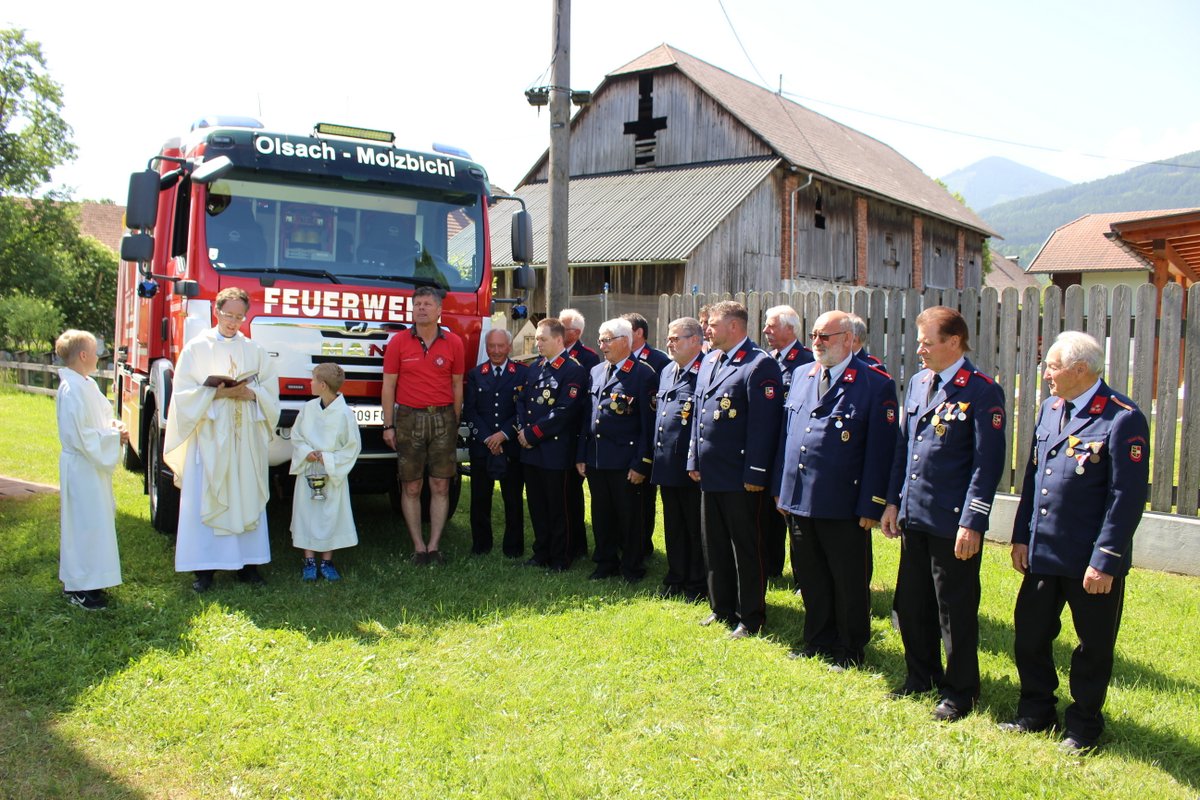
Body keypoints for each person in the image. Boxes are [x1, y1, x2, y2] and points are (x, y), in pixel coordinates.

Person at [1001, 331, 1149, 753]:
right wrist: (1021, 536)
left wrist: (1105, 559)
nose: (1045, 373)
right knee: (1030, 635)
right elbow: (1034, 478)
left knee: (1092, 647)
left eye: (1052, 366)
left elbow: (1126, 498)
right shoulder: (1051, 408)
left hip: (1089, 560)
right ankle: (1036, 711)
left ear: (1079, 370)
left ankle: (1083, 726)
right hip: (1044, 551)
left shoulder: (1122, 418)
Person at [881, 306, 1006, 722]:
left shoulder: (982, 391)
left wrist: (973, 521)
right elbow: (904, 448)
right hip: (915, 514)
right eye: (919, 342)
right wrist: (893, 502)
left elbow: (987, 465)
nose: (920, 350)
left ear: (954, 342)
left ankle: (960, 691)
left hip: (952, 522)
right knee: (911, 604)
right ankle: (921, 677)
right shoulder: (919, 383)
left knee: (954, 609)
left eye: (927, 343)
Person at [774, 311, 898, 669]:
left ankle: (849, 648)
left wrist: (872, 505)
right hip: (800, 497)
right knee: (810, 575)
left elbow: (881, 452)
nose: (817, 342)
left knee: (847, 581)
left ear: (847, 339)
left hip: (843, 502)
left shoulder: (874, 383)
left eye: (825, 336)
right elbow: (788, 436)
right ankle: (817, 639)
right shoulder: (803, 374)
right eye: (814, 335)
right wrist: (783, 489)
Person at [165, 287, 280, 592]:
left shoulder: (254, 350)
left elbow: (271, 392)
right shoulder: (196, 348)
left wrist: (250, 393)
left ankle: (248, 565)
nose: (233, 322)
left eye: (239, 317)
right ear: (216, 312)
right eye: (228, 315)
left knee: (246, 493)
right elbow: (183, 396)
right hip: (210, 438)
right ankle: (204, 570)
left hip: (244, 438)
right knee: (208, 496)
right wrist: (218, 393)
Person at [687, 300, 784, 638]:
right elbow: (699, 414)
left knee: (745, 548)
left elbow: (764, 426)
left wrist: (756, 473)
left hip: (741, 476)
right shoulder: (710, 360)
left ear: (733, 326)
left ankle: (750, 616)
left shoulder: (759, 364)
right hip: (711, 472)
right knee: (714, 544)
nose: (706, 330)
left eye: (712, 324)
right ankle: (721, 607)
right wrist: (694, 458)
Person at [380, 286, 465, 565]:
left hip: (443, 418)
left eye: (427, 304)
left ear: (439, 310)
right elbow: (388, 385)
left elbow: (457, 384)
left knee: (440, 485)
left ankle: (434, 546)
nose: (421, 308)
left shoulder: (454, 343)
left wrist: (454, 420)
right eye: (417, 304)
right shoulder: (398, 342)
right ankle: (418, 547)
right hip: (408, 419)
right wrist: (388, 425)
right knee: (411, 486)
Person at [576, 318, 657, 583]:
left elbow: (648, 425)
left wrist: (642, 462)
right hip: (597, 458)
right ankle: (605, 562)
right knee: (601, 515)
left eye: (607, 340)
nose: (602, 346)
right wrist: (582, 455)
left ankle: (632, 566)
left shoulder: (643, 374)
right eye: (600, 340)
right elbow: (587, 416)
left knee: (630, 517)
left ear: (624, 341)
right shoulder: (596, 371)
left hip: (625, 461)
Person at [55, 329, 126, 610]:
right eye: (96, 351)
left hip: (92, 465)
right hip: (81, 466)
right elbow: (82, 436)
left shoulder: (87, 384)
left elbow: (101, 418)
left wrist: (114, 426)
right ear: (83, 355)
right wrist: (113, 438)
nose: (99, 356)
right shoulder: (71, 390)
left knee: (96, 522)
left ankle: (92, 580)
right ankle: (80, 586)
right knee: (83, 525)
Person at [516, 318, 587, 571]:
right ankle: (541, 553)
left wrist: (532, 434)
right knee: (537, 505)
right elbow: (522, 401)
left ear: (558, 340)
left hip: (556, 451)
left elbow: (564, 411)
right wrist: (522, 431)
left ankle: (560, 557)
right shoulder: (535, 368)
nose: (538, 343)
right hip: (531, 450)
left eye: (543, 339)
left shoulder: (572, 370)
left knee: (559, 507)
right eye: (537, 339)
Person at [289, 362, 362, 582]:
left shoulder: (345, 414)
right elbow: (296, 436)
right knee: (307, 513)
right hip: (309, 469)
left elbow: (352, 447)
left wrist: (328, 459)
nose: (310, 383)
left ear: (322, 385)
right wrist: (307, 453)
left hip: (332, 473)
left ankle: (327, 561)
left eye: (312, 380)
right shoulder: (308, 409)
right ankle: (309, 560)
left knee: (330, 515)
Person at [652, 317, 707, 602]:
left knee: (694, 527)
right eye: (668, 339)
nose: (670, 344)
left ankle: (696, 583)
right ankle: (675, 577)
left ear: (695, 340)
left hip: (690, 465)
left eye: (676, 339)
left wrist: (693, 460)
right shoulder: (667, 370)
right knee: (673, 526)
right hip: (667, 463)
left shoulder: (706, 370)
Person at [760, 304, 815, 581]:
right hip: (768, 448)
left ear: (790, 328)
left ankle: (802, 575)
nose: (765, 331)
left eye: (771, 326)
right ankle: (771, 567)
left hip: (793, 448)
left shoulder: (806, 361)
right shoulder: (767, 360)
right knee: (768, 515)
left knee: (793, 515)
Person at [463, 328, 528, 558]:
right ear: (486, 347)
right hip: (482, 446)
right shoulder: (475, 374)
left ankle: (513, 548)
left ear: (509, 347)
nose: (496, 351)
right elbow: (470, 411)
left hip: (511, 446)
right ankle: (481, 546)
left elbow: (524, 410)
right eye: (492, 346)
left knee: (513, 499)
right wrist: (488, 438)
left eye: (501, 346)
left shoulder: (522, 373)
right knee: (480, 498)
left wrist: (504, 435)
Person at [622, 311, 670, 557]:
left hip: (645, 438)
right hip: (621, 444)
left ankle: (643, 545)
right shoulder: (618, 360)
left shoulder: (658, 361)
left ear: (638, 333)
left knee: (643, 500)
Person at [559, 308, 597, 560]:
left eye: (563, 328)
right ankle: (566, 541)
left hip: (577, 432)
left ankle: (578, 545)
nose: (559, 331)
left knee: (573, 493)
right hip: (557, 435)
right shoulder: (552, 354)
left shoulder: (588, 358)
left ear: (577, 332)